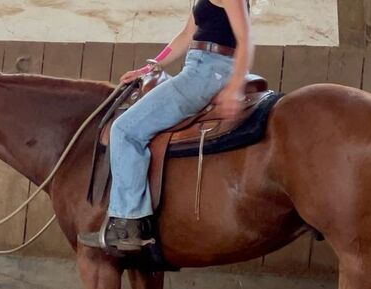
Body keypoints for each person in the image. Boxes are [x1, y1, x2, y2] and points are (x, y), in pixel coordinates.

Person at [78, 0, 253, 252]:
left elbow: (245, 38)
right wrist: (151, 66)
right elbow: (185, 35)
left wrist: (235, 85)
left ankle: (130, 223)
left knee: (124, 130)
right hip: (200, 66)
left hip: (208, 71)